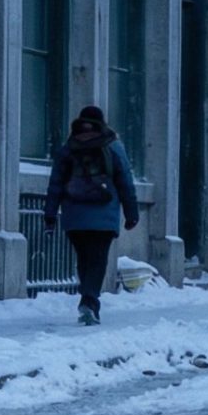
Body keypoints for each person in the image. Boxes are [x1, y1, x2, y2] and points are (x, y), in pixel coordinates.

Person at [44, 105, 140, 326]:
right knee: (98, 259)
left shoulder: (69, 148)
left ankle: (87, 296)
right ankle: (90, 300)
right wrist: (131, 212)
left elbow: (55, 184)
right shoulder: (113, 145)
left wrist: (50, 214)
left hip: (74, 215)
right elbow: (125, 181)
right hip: (103, 215)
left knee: (84, 258)